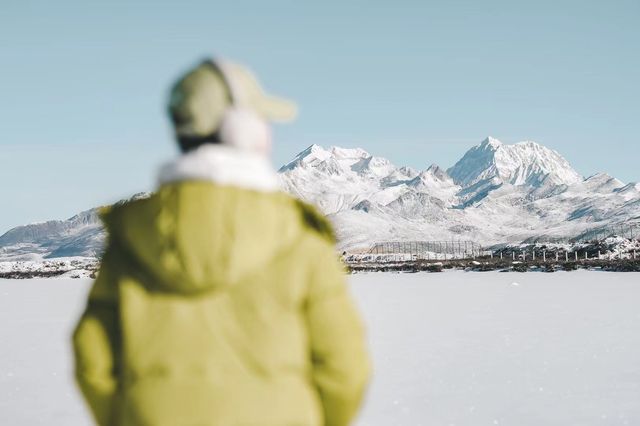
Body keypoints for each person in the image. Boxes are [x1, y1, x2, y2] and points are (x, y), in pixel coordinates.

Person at [72, 58, 371, 426]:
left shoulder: (132, 237)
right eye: (261, 120)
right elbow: (346, 367)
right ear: (241, 130)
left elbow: (93, 356)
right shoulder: (299, 237)